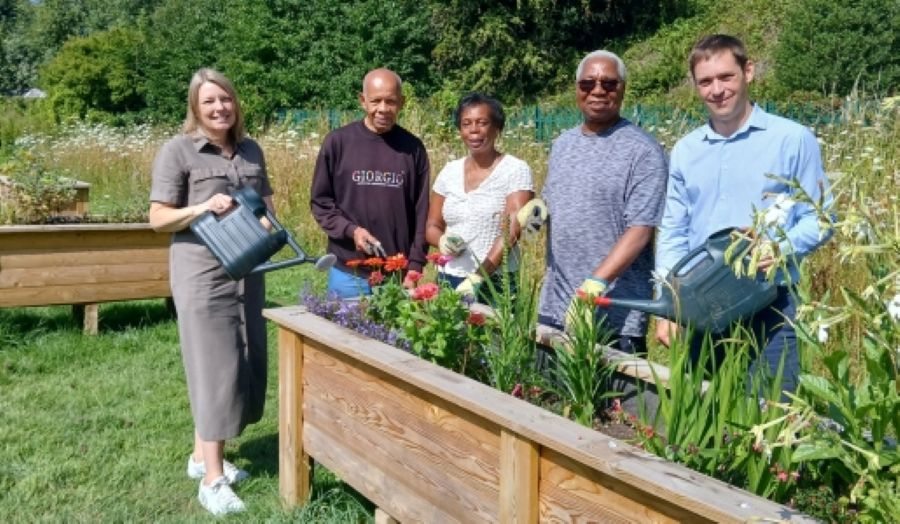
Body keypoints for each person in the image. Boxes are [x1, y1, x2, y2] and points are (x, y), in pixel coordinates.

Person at [655, 34, 833, 393]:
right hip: (702, 306)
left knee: (769, 419)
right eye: (706, 81)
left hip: (770, 304)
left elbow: (822, 217)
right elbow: (674, 229)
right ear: (695, 85)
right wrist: (669, 303)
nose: (717, 90)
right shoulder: (686, 150)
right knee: (701, 421)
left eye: (726, 77)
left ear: (748, 72)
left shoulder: (792, 139)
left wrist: (779, 248)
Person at [149, 68, 268, 516]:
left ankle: (201, 457)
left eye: (225, 99)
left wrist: (269, 225)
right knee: (213, 367)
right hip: (202, 273)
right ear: (195, 108)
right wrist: (202, 206)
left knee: (243, 360)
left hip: (248, 272)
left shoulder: (252, 149)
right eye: (209, 102)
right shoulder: (178, 151)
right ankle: (214, 480)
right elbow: (159, 218)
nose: (219, 108)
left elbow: (265, 207)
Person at [537, 50, 669, 354]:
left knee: (610, 401)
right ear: (576, 89)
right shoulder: (563, 144)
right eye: (588, 84)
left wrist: (593, 286)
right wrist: (534, 213)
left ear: (622, 89)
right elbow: (552, 206)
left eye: (608, 84)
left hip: (613, 311)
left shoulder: (644, 152)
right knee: (546, 398)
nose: (598, 90)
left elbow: (640, 229)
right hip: (556, 305)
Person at [310, 68, 430, 298]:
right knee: (342, 334)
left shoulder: (413, 149)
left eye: (391, 101)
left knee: (395, 334)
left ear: (402, 102)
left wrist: (415, 266)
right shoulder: (338, 143)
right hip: (348, 271)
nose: (383, 109)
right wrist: (351, 230)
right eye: (376, 101)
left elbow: (422, 212)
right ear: (362, 101)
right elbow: (321, 203)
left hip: (396, 273)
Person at [425, 92, 534, 301]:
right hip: (450, 276)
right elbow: (432, 224)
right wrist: (442, 240)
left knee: (494, 334)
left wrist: (478, 277)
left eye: (482, 123)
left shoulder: (515, 170)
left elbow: (513, 230)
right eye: (466, 124)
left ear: (497, 128)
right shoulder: (449, 171)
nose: (474, 130)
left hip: (495, 282)